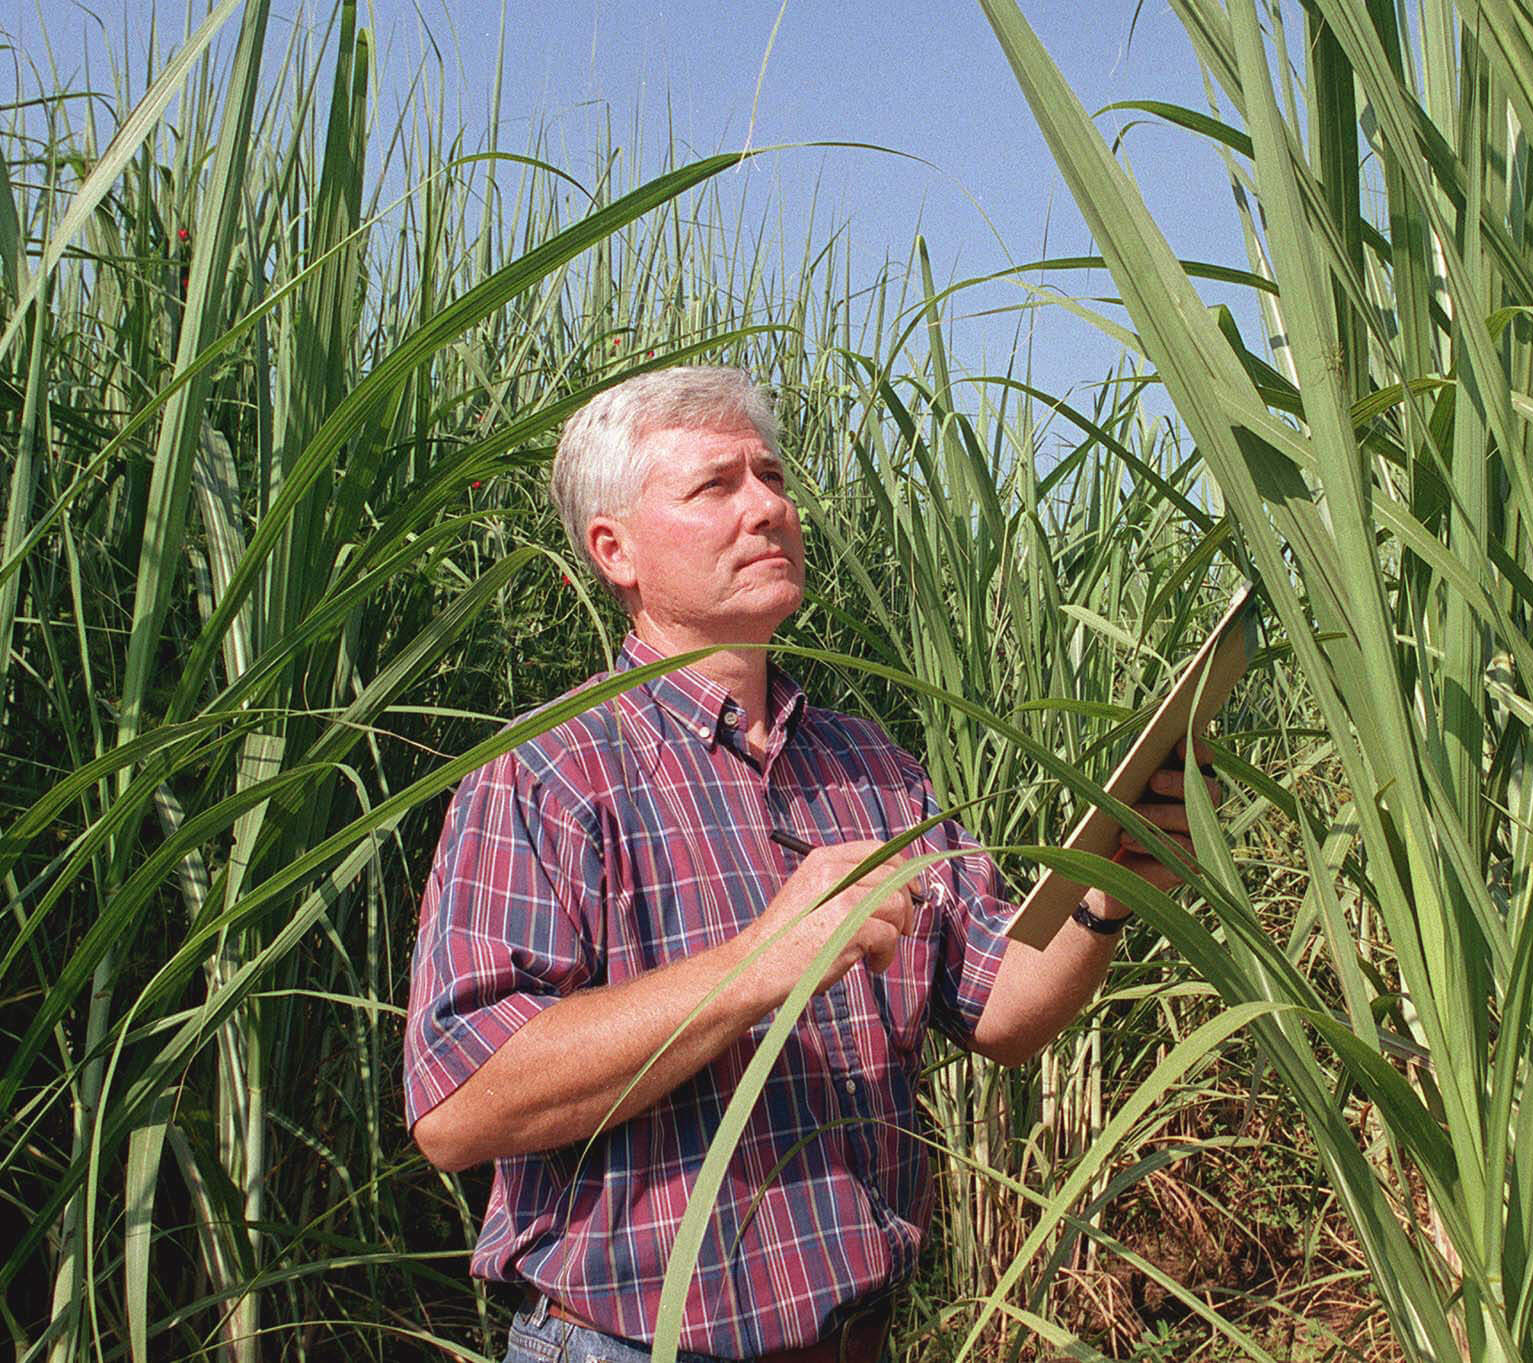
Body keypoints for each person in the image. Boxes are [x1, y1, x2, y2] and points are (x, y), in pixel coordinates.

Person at [403, 366, 1211, 1363]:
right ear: (614, 549)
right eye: (715, 486)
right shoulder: (547, 771)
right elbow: (458, 1106)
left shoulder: (869, 766)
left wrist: (1108, 889)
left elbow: (1002, 1010)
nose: (768, 508)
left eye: (771, 476)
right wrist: (765, 960)